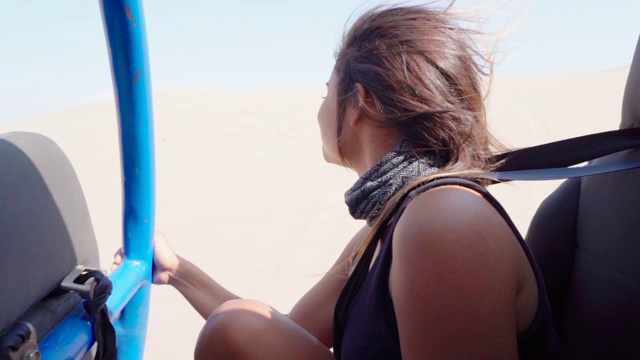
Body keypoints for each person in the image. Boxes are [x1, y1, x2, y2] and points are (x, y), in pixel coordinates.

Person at [113, 3, 562, 359]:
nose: (321, 108)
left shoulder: (444, 221)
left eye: (327, 93)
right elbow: (278, 335)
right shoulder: (388, 227)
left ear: (358, 103)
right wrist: (178, 273)